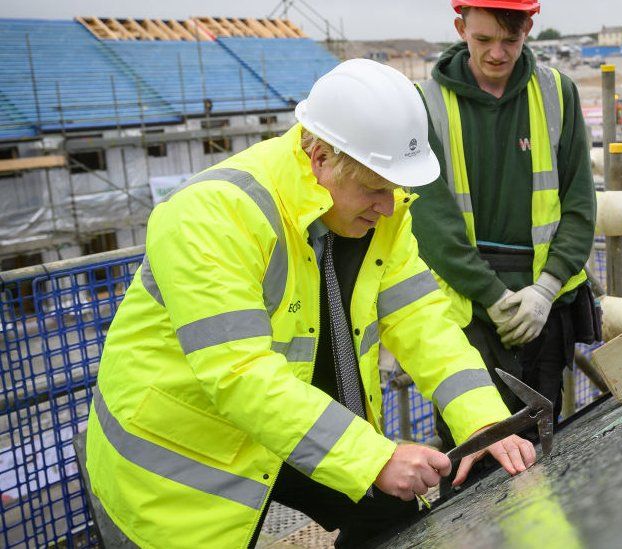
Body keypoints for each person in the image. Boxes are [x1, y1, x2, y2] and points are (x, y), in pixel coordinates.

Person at [83, 59, 536, 549]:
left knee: (390, 513)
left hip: (291, 425)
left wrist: (484, 421)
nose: (389, 205)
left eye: (395, 189)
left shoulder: (377, 212)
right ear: (319, 157)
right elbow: (239, 373)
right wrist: (373, 459)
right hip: (178, 471)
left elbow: (424, 321)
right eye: (375, 189)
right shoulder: (211, 215)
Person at [411, 0, 598, 451]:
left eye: (510, 40)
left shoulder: (556, 92)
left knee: (540, 438)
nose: (497, 53)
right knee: (471, 448)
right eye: (483, 40)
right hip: (469, 310)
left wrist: (546, 290)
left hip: (544, 308)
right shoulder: (426, 104)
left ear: (529, 29)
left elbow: (579, 203)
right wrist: (493, 296)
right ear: (460, 28)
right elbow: (431, 221)